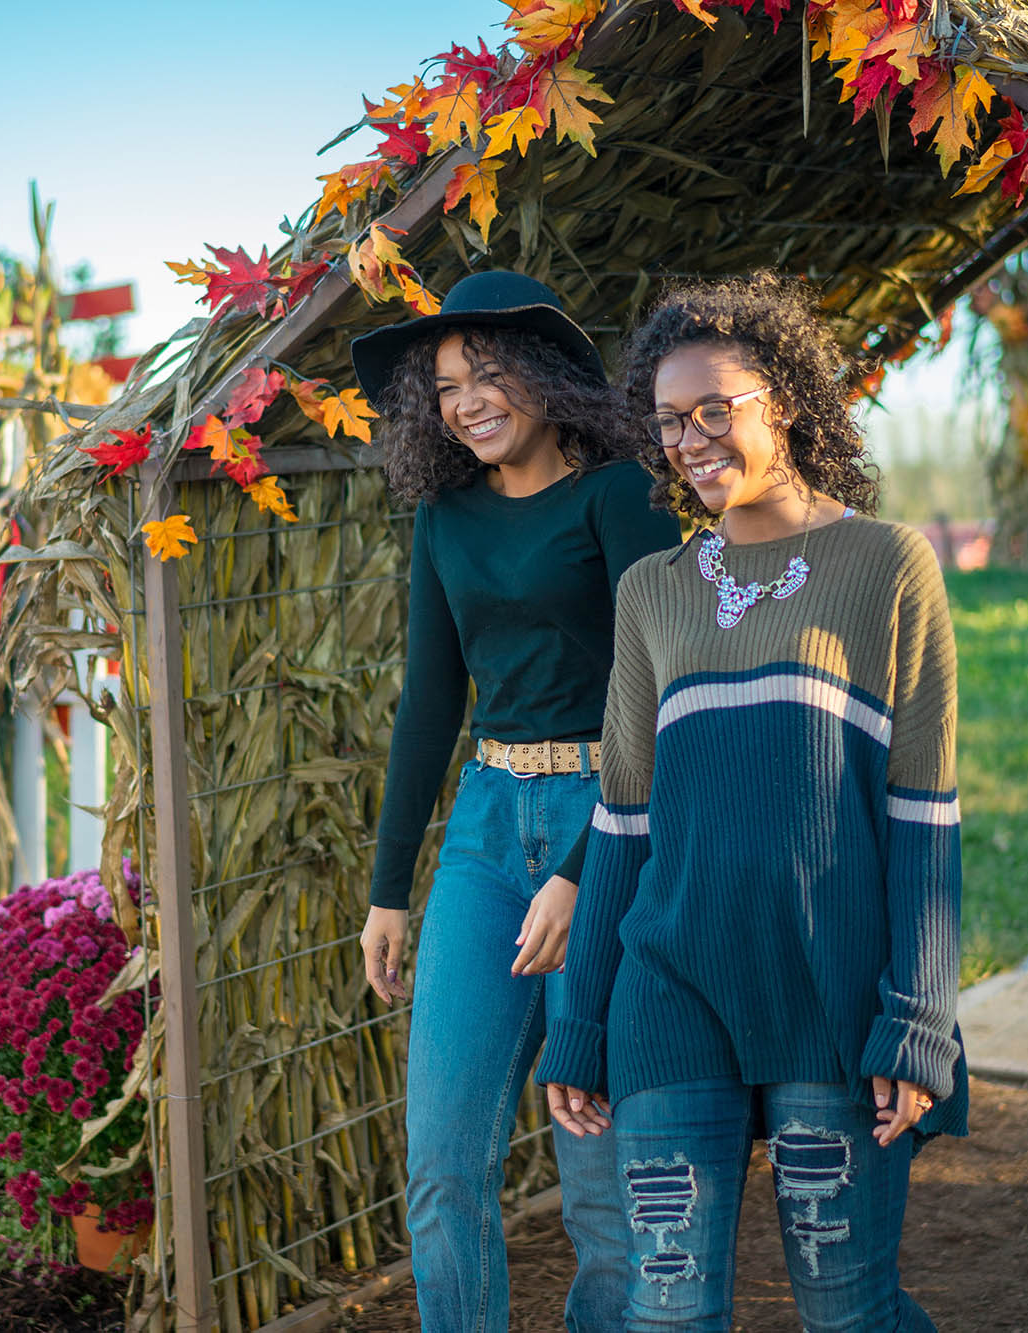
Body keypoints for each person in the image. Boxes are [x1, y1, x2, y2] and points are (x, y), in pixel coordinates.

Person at [537, 273, 969, 1332]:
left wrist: (914, 1022)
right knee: (668, 1307)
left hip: (829, 990)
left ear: (784, 398)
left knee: (844, 1309)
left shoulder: (885, 566)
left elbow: (923, 816)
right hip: (670, 990)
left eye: (713, 409)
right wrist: (581, 1022)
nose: (688, 439)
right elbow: (620, 818)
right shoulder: (654, 592)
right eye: (668, 421)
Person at [350, 270, 683, 1332]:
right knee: (442, 1158)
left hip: (612, 813)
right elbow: (428, 708)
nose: (465, 401)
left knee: (595, 1169)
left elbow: (659, 695)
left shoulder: (621, 495)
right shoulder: (444, 518)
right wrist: (387, 890)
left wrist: (583, 870)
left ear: (543, 377)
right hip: (487, 829)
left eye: (487, 373)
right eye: (446, 385)